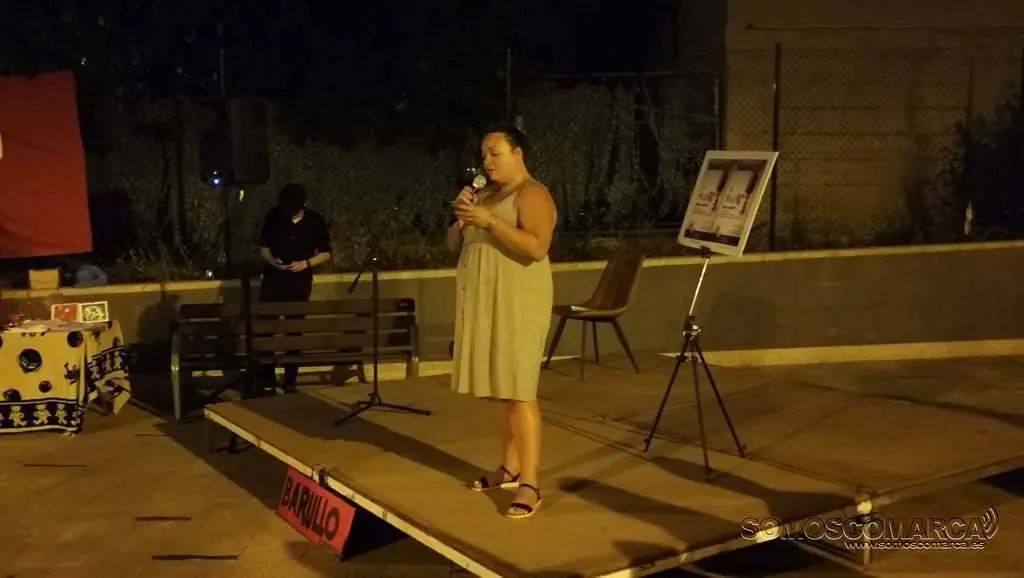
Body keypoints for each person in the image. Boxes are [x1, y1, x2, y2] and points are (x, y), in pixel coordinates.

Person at [447, 124, 557, 520]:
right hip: (487, 301)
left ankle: (530, 483)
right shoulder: (485, 196)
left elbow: (537, 247)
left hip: (519, 303)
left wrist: (490, 222)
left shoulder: (533, 194)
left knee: (521, 391)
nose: (487, 161)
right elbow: (452, 246)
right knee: (501, 390)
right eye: (483, 155)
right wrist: (462, 219)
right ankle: (509, 468)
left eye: (495, 153)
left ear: (517, 153)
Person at [257, 182, 332, 392]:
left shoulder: (315, 220)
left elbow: (325, 253)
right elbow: (264, 249)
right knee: (266, 329)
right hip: (273, 280)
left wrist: (305, 263)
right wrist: (273, 262)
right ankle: (267, 377)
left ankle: (290, 380)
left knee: (294, 331)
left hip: (299, 282)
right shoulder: (273, 216)